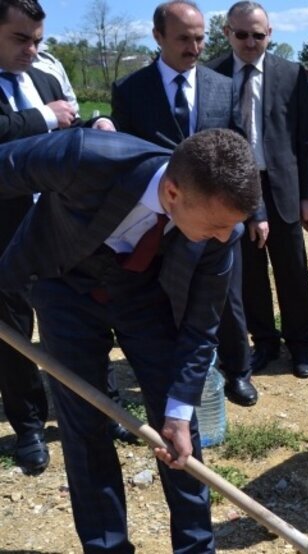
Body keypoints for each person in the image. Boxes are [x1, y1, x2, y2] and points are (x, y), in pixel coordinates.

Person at [0, 126, 260, 553]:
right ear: (173, 193)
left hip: (146, 294)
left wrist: (177, 414)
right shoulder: (87, 158)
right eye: (214, 226)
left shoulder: (222, 228)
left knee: (178, 427)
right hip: (63, 285)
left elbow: (200, 329)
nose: (222, 236)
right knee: (83, 423)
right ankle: (107, 546)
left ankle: (195, 547)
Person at [111, 0, 257, 406]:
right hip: (160, 214)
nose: (193, 48)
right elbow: (127, 154)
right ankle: (172, 373)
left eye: (199, 38)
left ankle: (238, 371)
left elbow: (241, 152)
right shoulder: (130, 90)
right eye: (183, 39)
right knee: (164, 295)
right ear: (158, 37)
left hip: (215, 214)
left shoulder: (222, 85)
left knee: (227, 297)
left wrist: (254, 212)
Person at [0, 0, 113, 475]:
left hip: (60, 227)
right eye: (21, 39)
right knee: (14, 335)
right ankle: (28, 426)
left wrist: (94, 125)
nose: (33, 50)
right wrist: (46, 117)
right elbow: (27, 128)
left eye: (38, 40)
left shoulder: (44, 78)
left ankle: (102, 408)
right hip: (6, 233)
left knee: (83, 320)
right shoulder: (41, 98)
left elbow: (66, 125)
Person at [208, 1, 308, 379]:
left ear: (270, 34)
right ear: (227, 33)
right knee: (249, 273)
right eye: (242, 34)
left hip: (281, 186)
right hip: (235, 188)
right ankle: (265, 342)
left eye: (259, 35)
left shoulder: (292, 73)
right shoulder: (211, 74)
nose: (251, 42)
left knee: (293, 270)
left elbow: (307, 138)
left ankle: (301, 345)